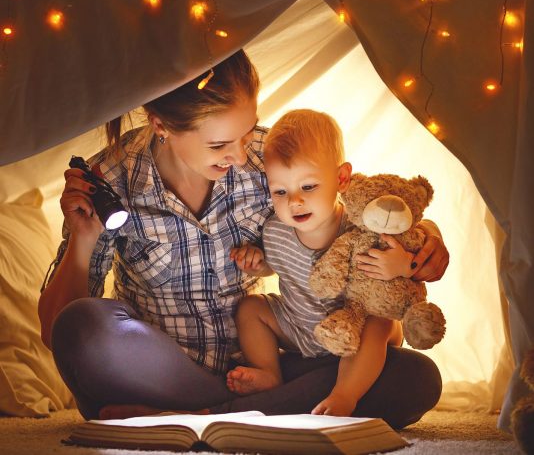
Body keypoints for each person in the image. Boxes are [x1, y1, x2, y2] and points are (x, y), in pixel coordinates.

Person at [38, 49, 449, 428]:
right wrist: (83, 238)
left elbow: (353, 204)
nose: (239, 155)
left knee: (413, 378)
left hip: (259, 367)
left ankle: (190, 419)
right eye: (219, 144)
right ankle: (249, 413)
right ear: (161, 125)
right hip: (160, 371)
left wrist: (426, 237)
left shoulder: (265, 161)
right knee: (80, 326)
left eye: (247, 133)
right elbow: (55, 333)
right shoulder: (111, 179)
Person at [227, 109, 425, 416]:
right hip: (300, 328)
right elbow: (276, 265)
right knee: (250, 308)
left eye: (308, 187)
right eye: (280, 191)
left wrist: (401, 264)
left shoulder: (360, 226)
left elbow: (404, 255)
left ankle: (345, 393)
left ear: (341, 178)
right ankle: (269, 372)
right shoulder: (275, 231)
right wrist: (258, 264)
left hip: (358, 333)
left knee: (380, 320)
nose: (294, 201)